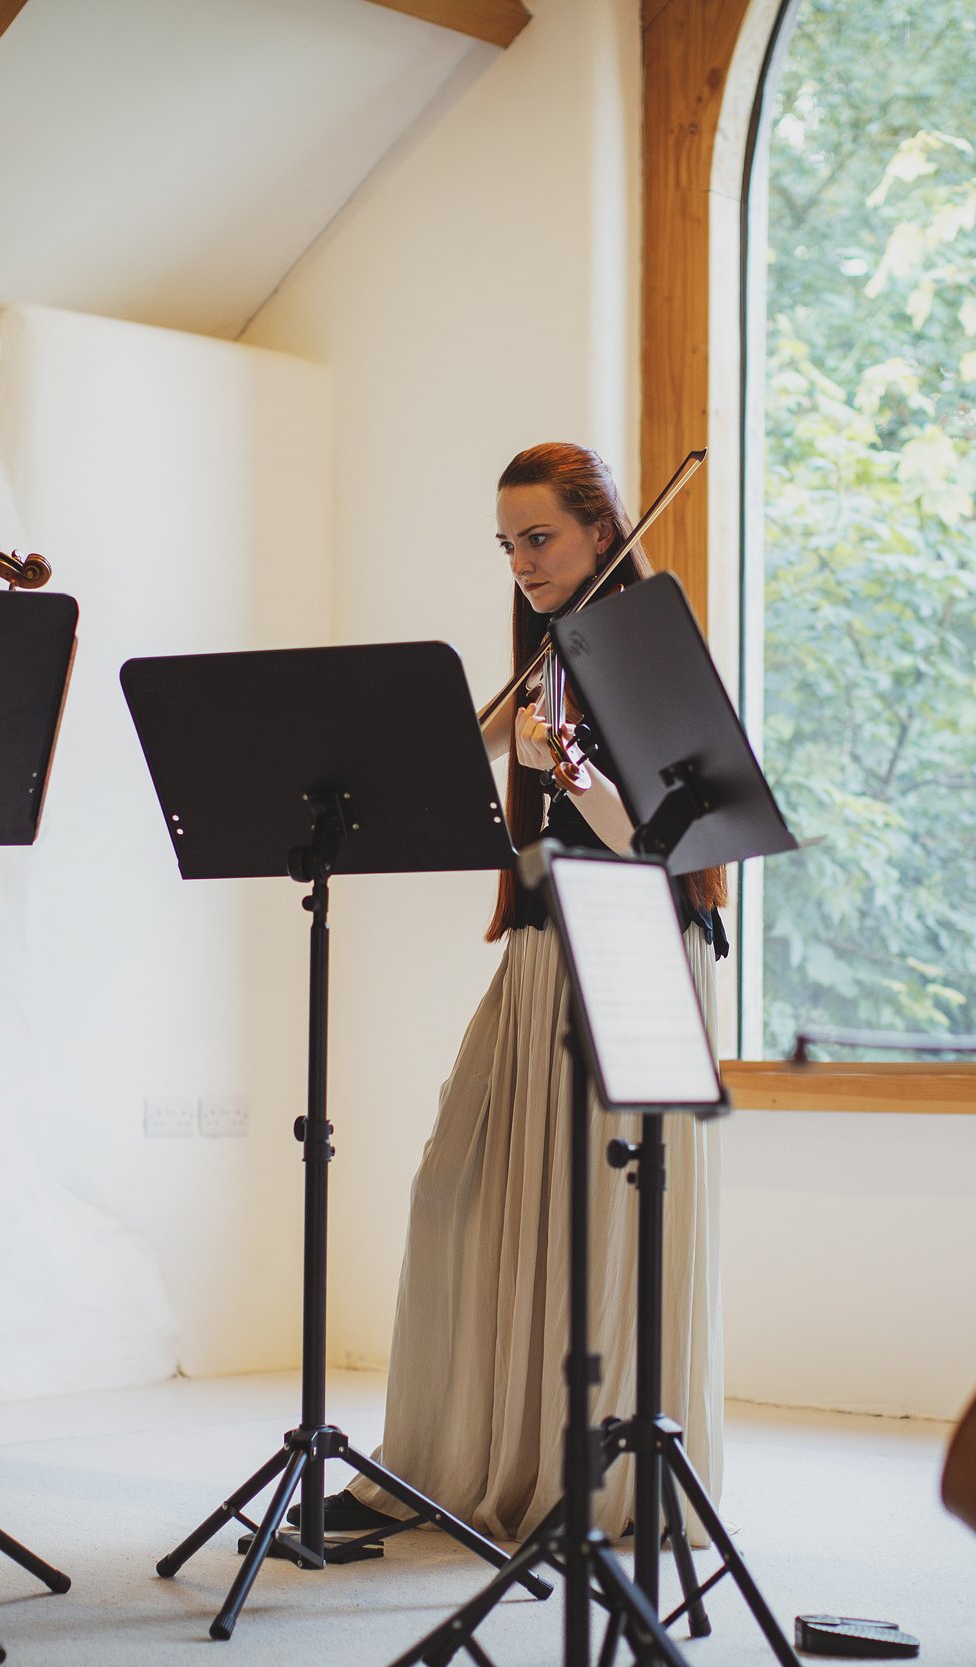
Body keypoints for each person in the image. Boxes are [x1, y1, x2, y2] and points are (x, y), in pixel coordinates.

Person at [311, 442, 728, 1542]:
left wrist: (564, 769)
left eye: (538, 536)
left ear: (602, 530)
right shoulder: (549, 652)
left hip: (628, 948)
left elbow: (664, 842)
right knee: (456, 1189)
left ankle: (575, 1479)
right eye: (507, 544)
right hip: (544, 944)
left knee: (589, 1226)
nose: (522, 561)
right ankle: (444, 1459)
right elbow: (458, 767)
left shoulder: (645, 649)